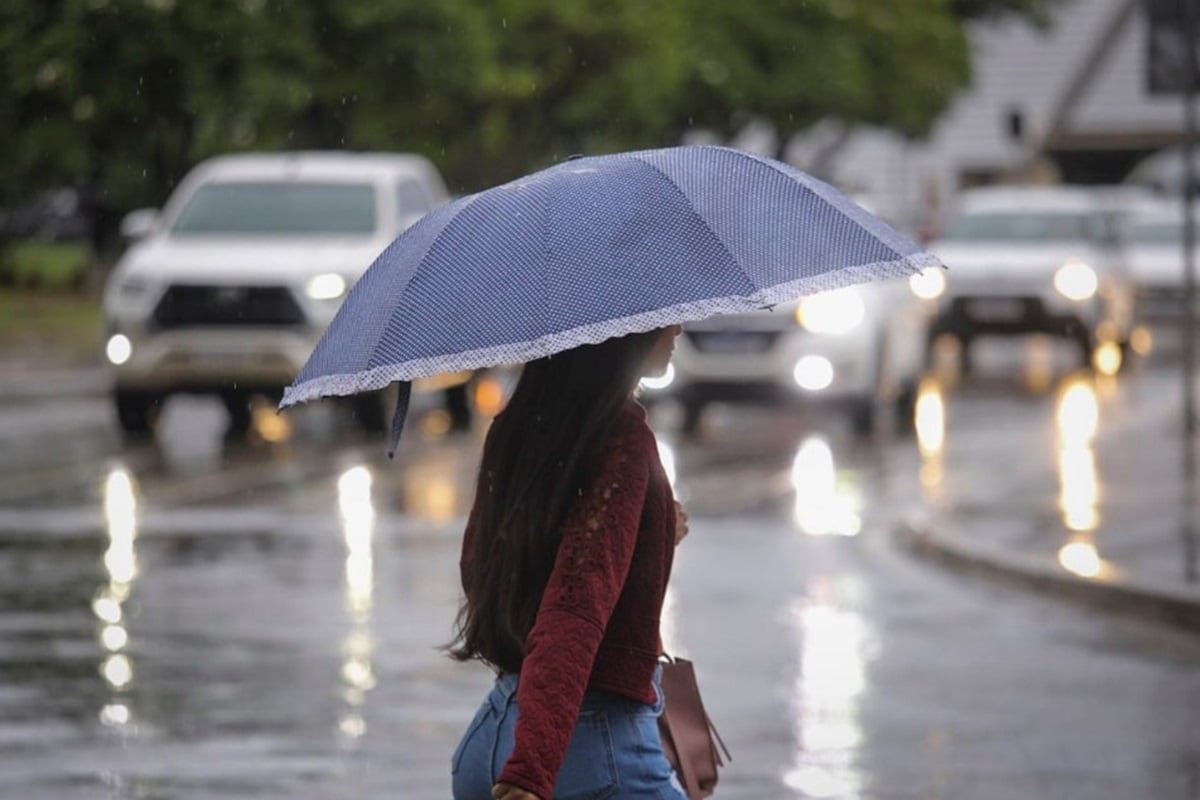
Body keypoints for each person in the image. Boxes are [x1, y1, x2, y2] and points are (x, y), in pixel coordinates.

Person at [447, 324, 688, 800]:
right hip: (584, 750)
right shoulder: (621, 438)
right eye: (661, 318)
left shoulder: (516, 427)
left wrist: (651, 535)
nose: (677, 327)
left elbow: (484, 568)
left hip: (494, 731)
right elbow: (574, 608)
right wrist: (531, 770)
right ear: (621, 331)